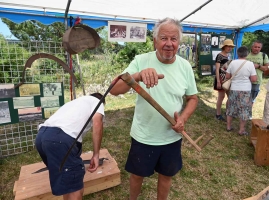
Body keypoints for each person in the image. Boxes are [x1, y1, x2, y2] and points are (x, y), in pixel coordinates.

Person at [110, 17, 198, 200]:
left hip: (171, 136)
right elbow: (114, 90)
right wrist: (138, 75)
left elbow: (192, 98)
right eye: (164, 38)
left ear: (179, 42)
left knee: (166, 176)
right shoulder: (141, 60)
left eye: (173, 39)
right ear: (155, 40)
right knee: (137, 175)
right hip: (144, 135)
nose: (168, 44)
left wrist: (183, 118)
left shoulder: (185, 67)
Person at [35, 93, 105, 200]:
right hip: (59, 140)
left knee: (68, 184)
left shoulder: (75, 103)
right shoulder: (97, 102)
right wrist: (96, 154)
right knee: (75, 189)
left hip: (41, 136)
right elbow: (97, 124)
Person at [225, 46, 257, 135]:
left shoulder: (232, 63)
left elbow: (227, 76)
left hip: (234, 88)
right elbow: (254, 79)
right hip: (245, 89)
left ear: (238, 53)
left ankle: (228, 126)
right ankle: (241, 130)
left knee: (231, 107)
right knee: (244, 109)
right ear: (247, 54)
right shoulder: (250, 64)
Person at [213, 39, 235, 121]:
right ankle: (218, 114)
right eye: (228, 46)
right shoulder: (220, 55)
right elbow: (217, 69)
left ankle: (228, 112)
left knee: (230, 96)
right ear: (224, 47)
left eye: (231, 47)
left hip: (227, 79)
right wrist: (218, 81)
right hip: (221, 79)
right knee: (221, 97)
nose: (230, 48)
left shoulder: (227, 56)